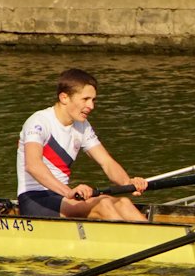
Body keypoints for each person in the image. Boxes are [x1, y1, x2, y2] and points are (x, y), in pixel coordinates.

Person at [16, 69, 149, 221]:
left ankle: (155, 239)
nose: (91, 106)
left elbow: (106, 162)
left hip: (62, 198)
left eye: (93, 100)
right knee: (104, 204)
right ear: (64, 97)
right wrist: (68, 192)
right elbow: (33, 165)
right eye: (85, 99)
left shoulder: (82, 126)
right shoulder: (39, 122)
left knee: (123, 202)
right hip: (35, 199)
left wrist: (128, 183)